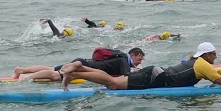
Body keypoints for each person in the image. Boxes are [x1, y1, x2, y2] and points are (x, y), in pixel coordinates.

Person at [74, 42, 221, 91]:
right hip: (154, 78)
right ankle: (78, 71)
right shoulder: (204, 64)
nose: (216, 56)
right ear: (207, 55)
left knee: (112, 81)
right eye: (214, 54)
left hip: (155, 73)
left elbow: (219, 76)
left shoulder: (198, 62)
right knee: (112, 84)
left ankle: (79, 70)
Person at [14, 47, 145, 83]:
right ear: (133, 55)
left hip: (83, 62)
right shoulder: (124, 61)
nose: (139, 62)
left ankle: (21, 70)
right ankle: (26, 77)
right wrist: (137, 72)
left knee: (52, 68)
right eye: (139, 59)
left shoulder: (120, 55)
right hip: (82, 66)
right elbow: (125, 76)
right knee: (55, 75)